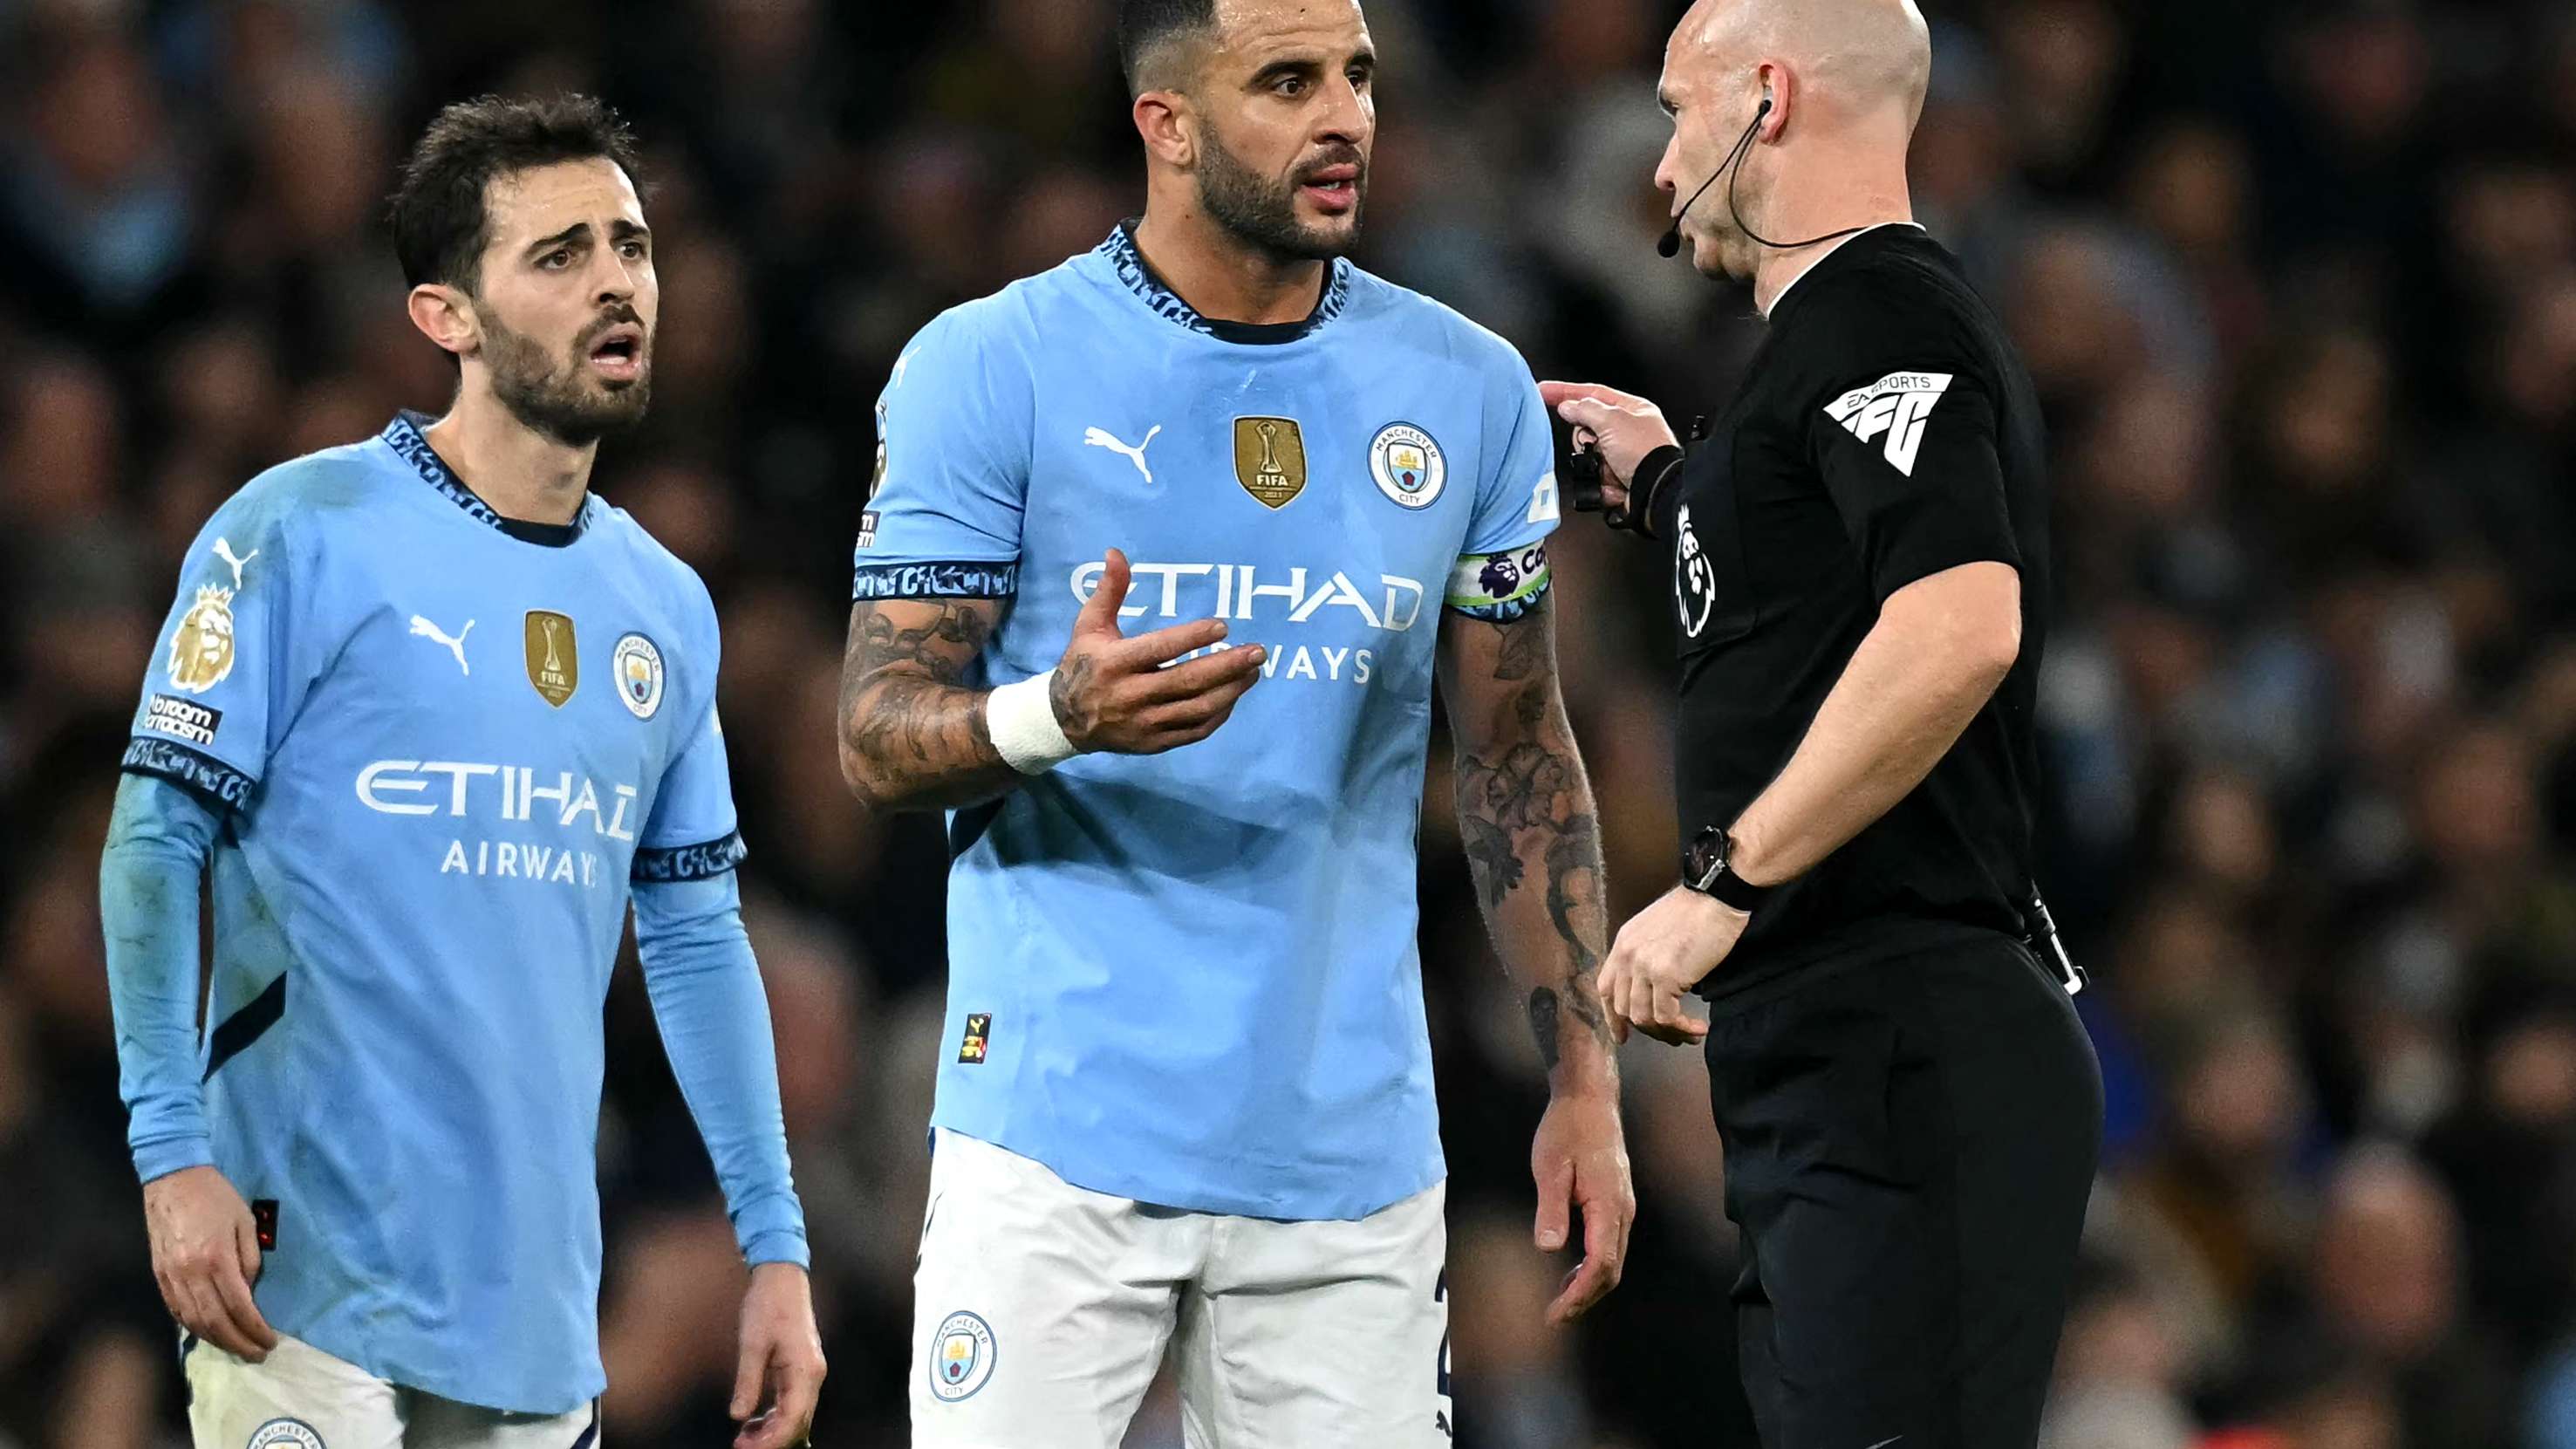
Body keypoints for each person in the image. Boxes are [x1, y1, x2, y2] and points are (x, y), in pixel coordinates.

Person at [836, 0, 1631, 1442]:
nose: (1346, 116)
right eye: (1287, 81)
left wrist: (1585, 1077)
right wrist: (1052, 715)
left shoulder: (1466, 390)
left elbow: (1518, 754)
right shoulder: (989, 365)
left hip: (1348, 1159)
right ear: (1169, 125)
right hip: (1054, 1143)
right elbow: (874, 731)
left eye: (1359, 75)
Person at [97, 95, 824, 1448]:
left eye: (631, 244)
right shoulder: (299, 532)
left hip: (534, 1301)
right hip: (296, 1267)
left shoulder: (664, 606)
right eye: (559, 255)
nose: (616, 280)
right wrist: (170, 1152)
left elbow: (692, 930)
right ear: (449, 317)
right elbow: (155, 836)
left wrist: (772, 1241)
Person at [1541, 1, 2101, 1445]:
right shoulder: (1807, 362)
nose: (1662, 169)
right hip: (1831, 1057)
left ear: (1765, 99)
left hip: (1906, 1037)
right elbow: (1810, 608)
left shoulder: (1879, 309)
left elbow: (1958, 622)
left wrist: (1723, 881)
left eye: (1678, 111)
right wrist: (1673, 486)